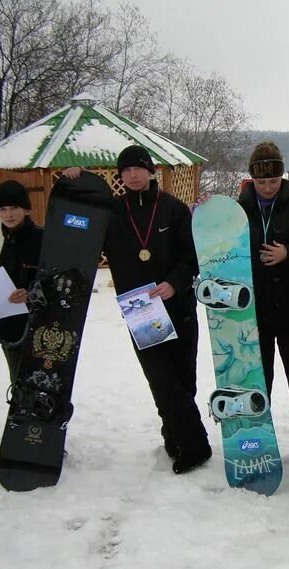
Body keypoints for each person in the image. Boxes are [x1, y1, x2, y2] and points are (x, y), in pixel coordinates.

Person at [64, 146, 210, 474]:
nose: (133, 175)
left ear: (150, 171)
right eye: (126, 170)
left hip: (178, 305)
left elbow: (193, 256)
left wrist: (174, 282)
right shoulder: (111, 214)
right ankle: (195, 446)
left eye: (139, 168)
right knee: (162, 379)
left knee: (184, 378)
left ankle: (174, 434)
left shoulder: (173, 209)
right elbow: (77, 223)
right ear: (120, 176)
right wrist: (73, 180)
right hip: (142, 310)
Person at [238, 141, 289, 434]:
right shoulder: (239, 211)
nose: (267, 187)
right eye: (260, 181)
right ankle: (257, 437)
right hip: (254, 310)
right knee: (258, 379)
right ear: (251, 179)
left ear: (282, 177)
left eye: (273, 180)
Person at [0, 180, 43, 383]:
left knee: (41, 379)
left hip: (40, 323)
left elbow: (56, 278)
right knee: (17, 379)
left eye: (14, 208)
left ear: (27, 209)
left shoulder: (42, 239)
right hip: (8, 324)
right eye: (3, 209)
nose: (9, 215)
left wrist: (30, 293)